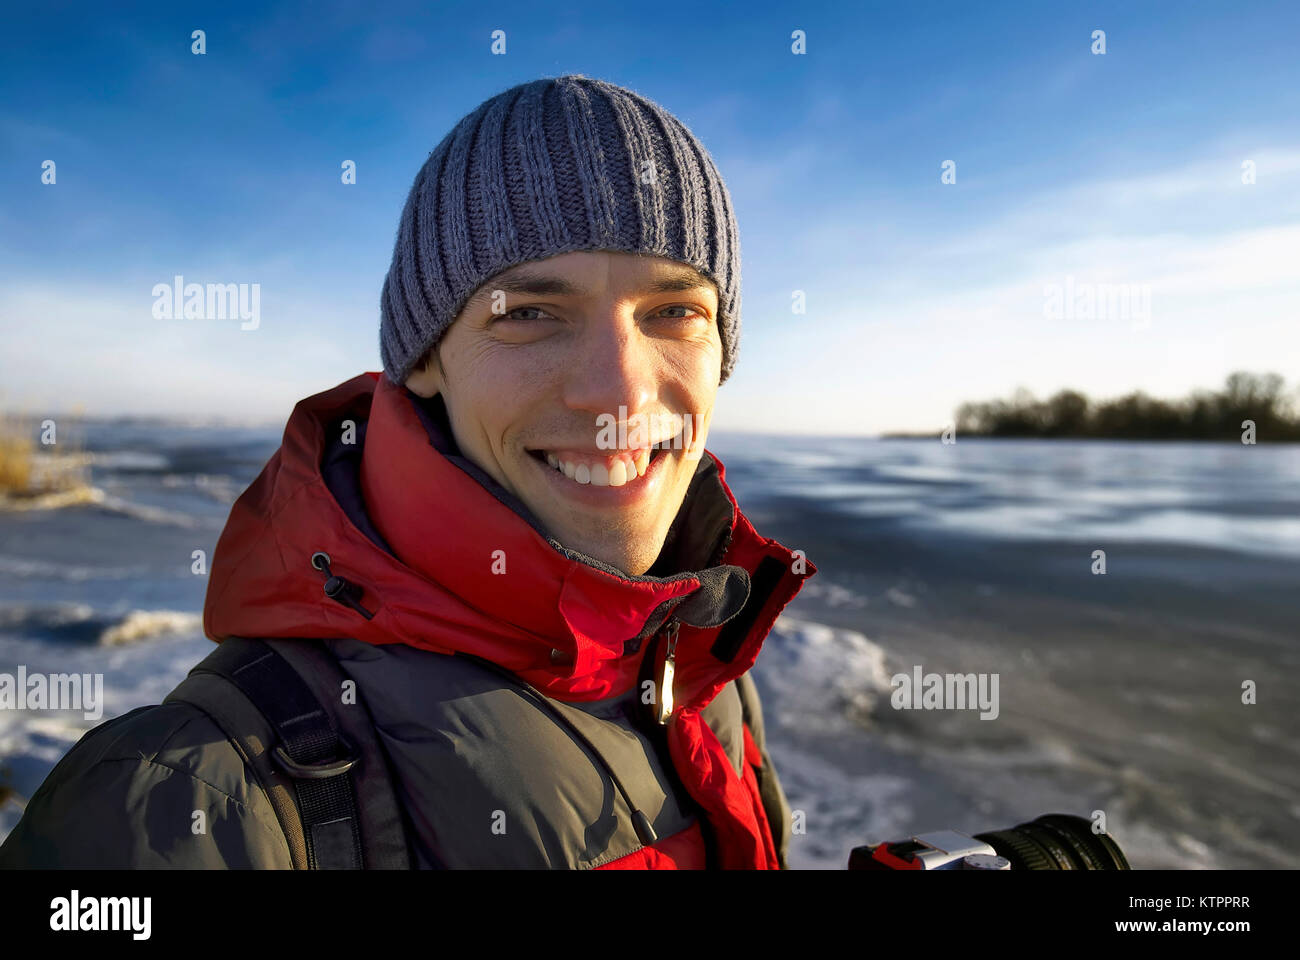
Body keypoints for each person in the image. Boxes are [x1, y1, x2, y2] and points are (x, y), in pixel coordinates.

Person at [0, 74, 816, 869]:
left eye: (675, 311)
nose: (619, 389)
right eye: (530, 313)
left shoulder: (698, 654)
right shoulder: (192, 802)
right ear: (425, 360)